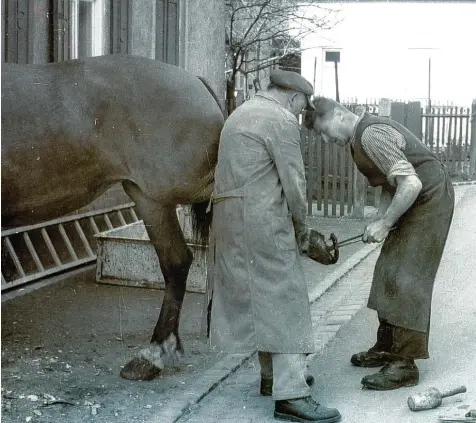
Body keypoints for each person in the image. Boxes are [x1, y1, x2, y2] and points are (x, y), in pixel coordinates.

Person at [205, 70, 342, 423]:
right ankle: (292, 393)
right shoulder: (280, 119)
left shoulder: (242, 112)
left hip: (230, 218)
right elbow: (294, 181)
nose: (299, 113)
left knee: (258, 295)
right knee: (286, 296)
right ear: (295, 99)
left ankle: (272, 377)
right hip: (262, 218)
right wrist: (304, 232)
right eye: (301, 108)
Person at [306, 97, 454, 391]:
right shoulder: (356, 140)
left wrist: (385, 223)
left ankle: (404, 364)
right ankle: (387, 346)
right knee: (388, 269)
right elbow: (390, 185)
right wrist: (380, 221)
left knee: (408, 276)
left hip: (430, 200)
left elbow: (410, 184)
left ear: (338, 114)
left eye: (325, 131)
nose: (326, 139)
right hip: (414, 199)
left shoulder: (371, 134)